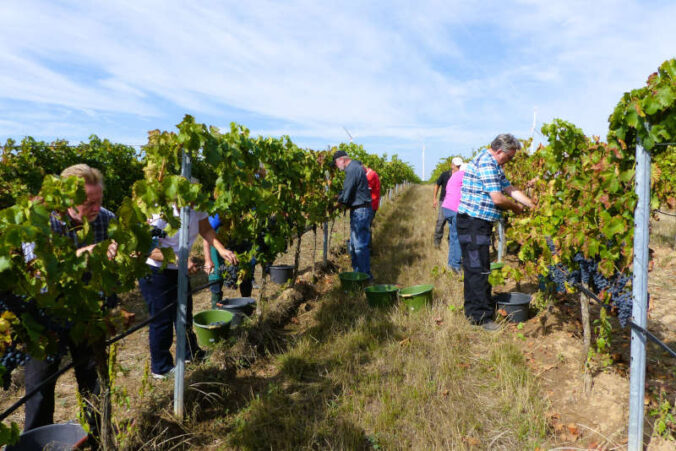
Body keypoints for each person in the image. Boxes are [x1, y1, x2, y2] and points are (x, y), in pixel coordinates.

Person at [22, 164, 119, 434]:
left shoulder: (105, 219)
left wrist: (122, 251)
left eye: (99, 200)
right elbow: (40, 271)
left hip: (88, 308)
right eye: (89, 203)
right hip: (45, 311)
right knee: (40, 385)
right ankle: (37, 442)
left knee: (96, 378)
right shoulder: (41, 222)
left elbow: (125, 243)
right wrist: (88, 253)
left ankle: (102, 437)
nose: (96, 208)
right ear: (66, 200)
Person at [139, 196, 237, 379]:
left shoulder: (196, 204)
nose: (194, 203)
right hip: (156, 270)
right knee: (162, 320)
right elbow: (146, 246)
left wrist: (221, 249)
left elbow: (206, 229)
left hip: (179, 268)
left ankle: (189, 354)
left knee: (184, 312)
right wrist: (180, 260)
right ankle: (161, 368)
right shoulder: (157, 210)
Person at [456, 134, 535, 331]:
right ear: (500, 151)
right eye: (509, 157)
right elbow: (498, 199)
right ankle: (480, 317)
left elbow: (509, 188)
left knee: (480, 267)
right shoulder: (487, 163)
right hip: (472, 224)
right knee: (477, 269)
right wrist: (516, 208)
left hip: (478, 223)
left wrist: (531, 204)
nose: (509, 161)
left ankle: (479, 308)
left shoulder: (495, 165)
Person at [332, 150, 373, 279]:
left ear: (342, 160)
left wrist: (333, 207)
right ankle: (360, 274)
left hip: (360, 211)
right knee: (356, 245)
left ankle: (363, 277)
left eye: (336, 163)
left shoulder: (352, 170)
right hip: (361, 210)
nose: (336, 167)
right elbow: (347, 190)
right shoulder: (356, 167)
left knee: (359, 246)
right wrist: (337, 195)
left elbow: (346, 196)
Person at [203, 212, 256, 308]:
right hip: (218, 245)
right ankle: (216, 313)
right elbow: (206, 234)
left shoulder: (250, 207)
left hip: (240, 244)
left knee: (245, 275)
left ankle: (246, 308)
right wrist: (208, 259)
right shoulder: (220, 213)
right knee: (216, 278)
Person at [441, 160, 465, 273]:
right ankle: (456, 265)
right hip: (455, 209)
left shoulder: (454, 176)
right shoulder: (464, 176)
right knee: (458, 238)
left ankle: (451, 263)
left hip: (447, 208)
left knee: (453, 237)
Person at [433, 158, 461, 248]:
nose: (458, 167)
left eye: (459, 166)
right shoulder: (445, 175)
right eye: (457, 166)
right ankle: (437, 242)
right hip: (444, 201)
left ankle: (451, 242)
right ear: (452, 165)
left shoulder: (461, 175)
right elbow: (437, 185)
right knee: (441, 221)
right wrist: (434, 199)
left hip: (456, 202)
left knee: (454, 223)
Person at [363, 166, 381, 249]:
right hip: (371, 205)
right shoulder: (370, 173)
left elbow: (364, 191)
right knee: (366, 227)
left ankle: (368, 249)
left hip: (371, 206)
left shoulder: (370, 175)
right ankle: (367, 249)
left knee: (366, 227)